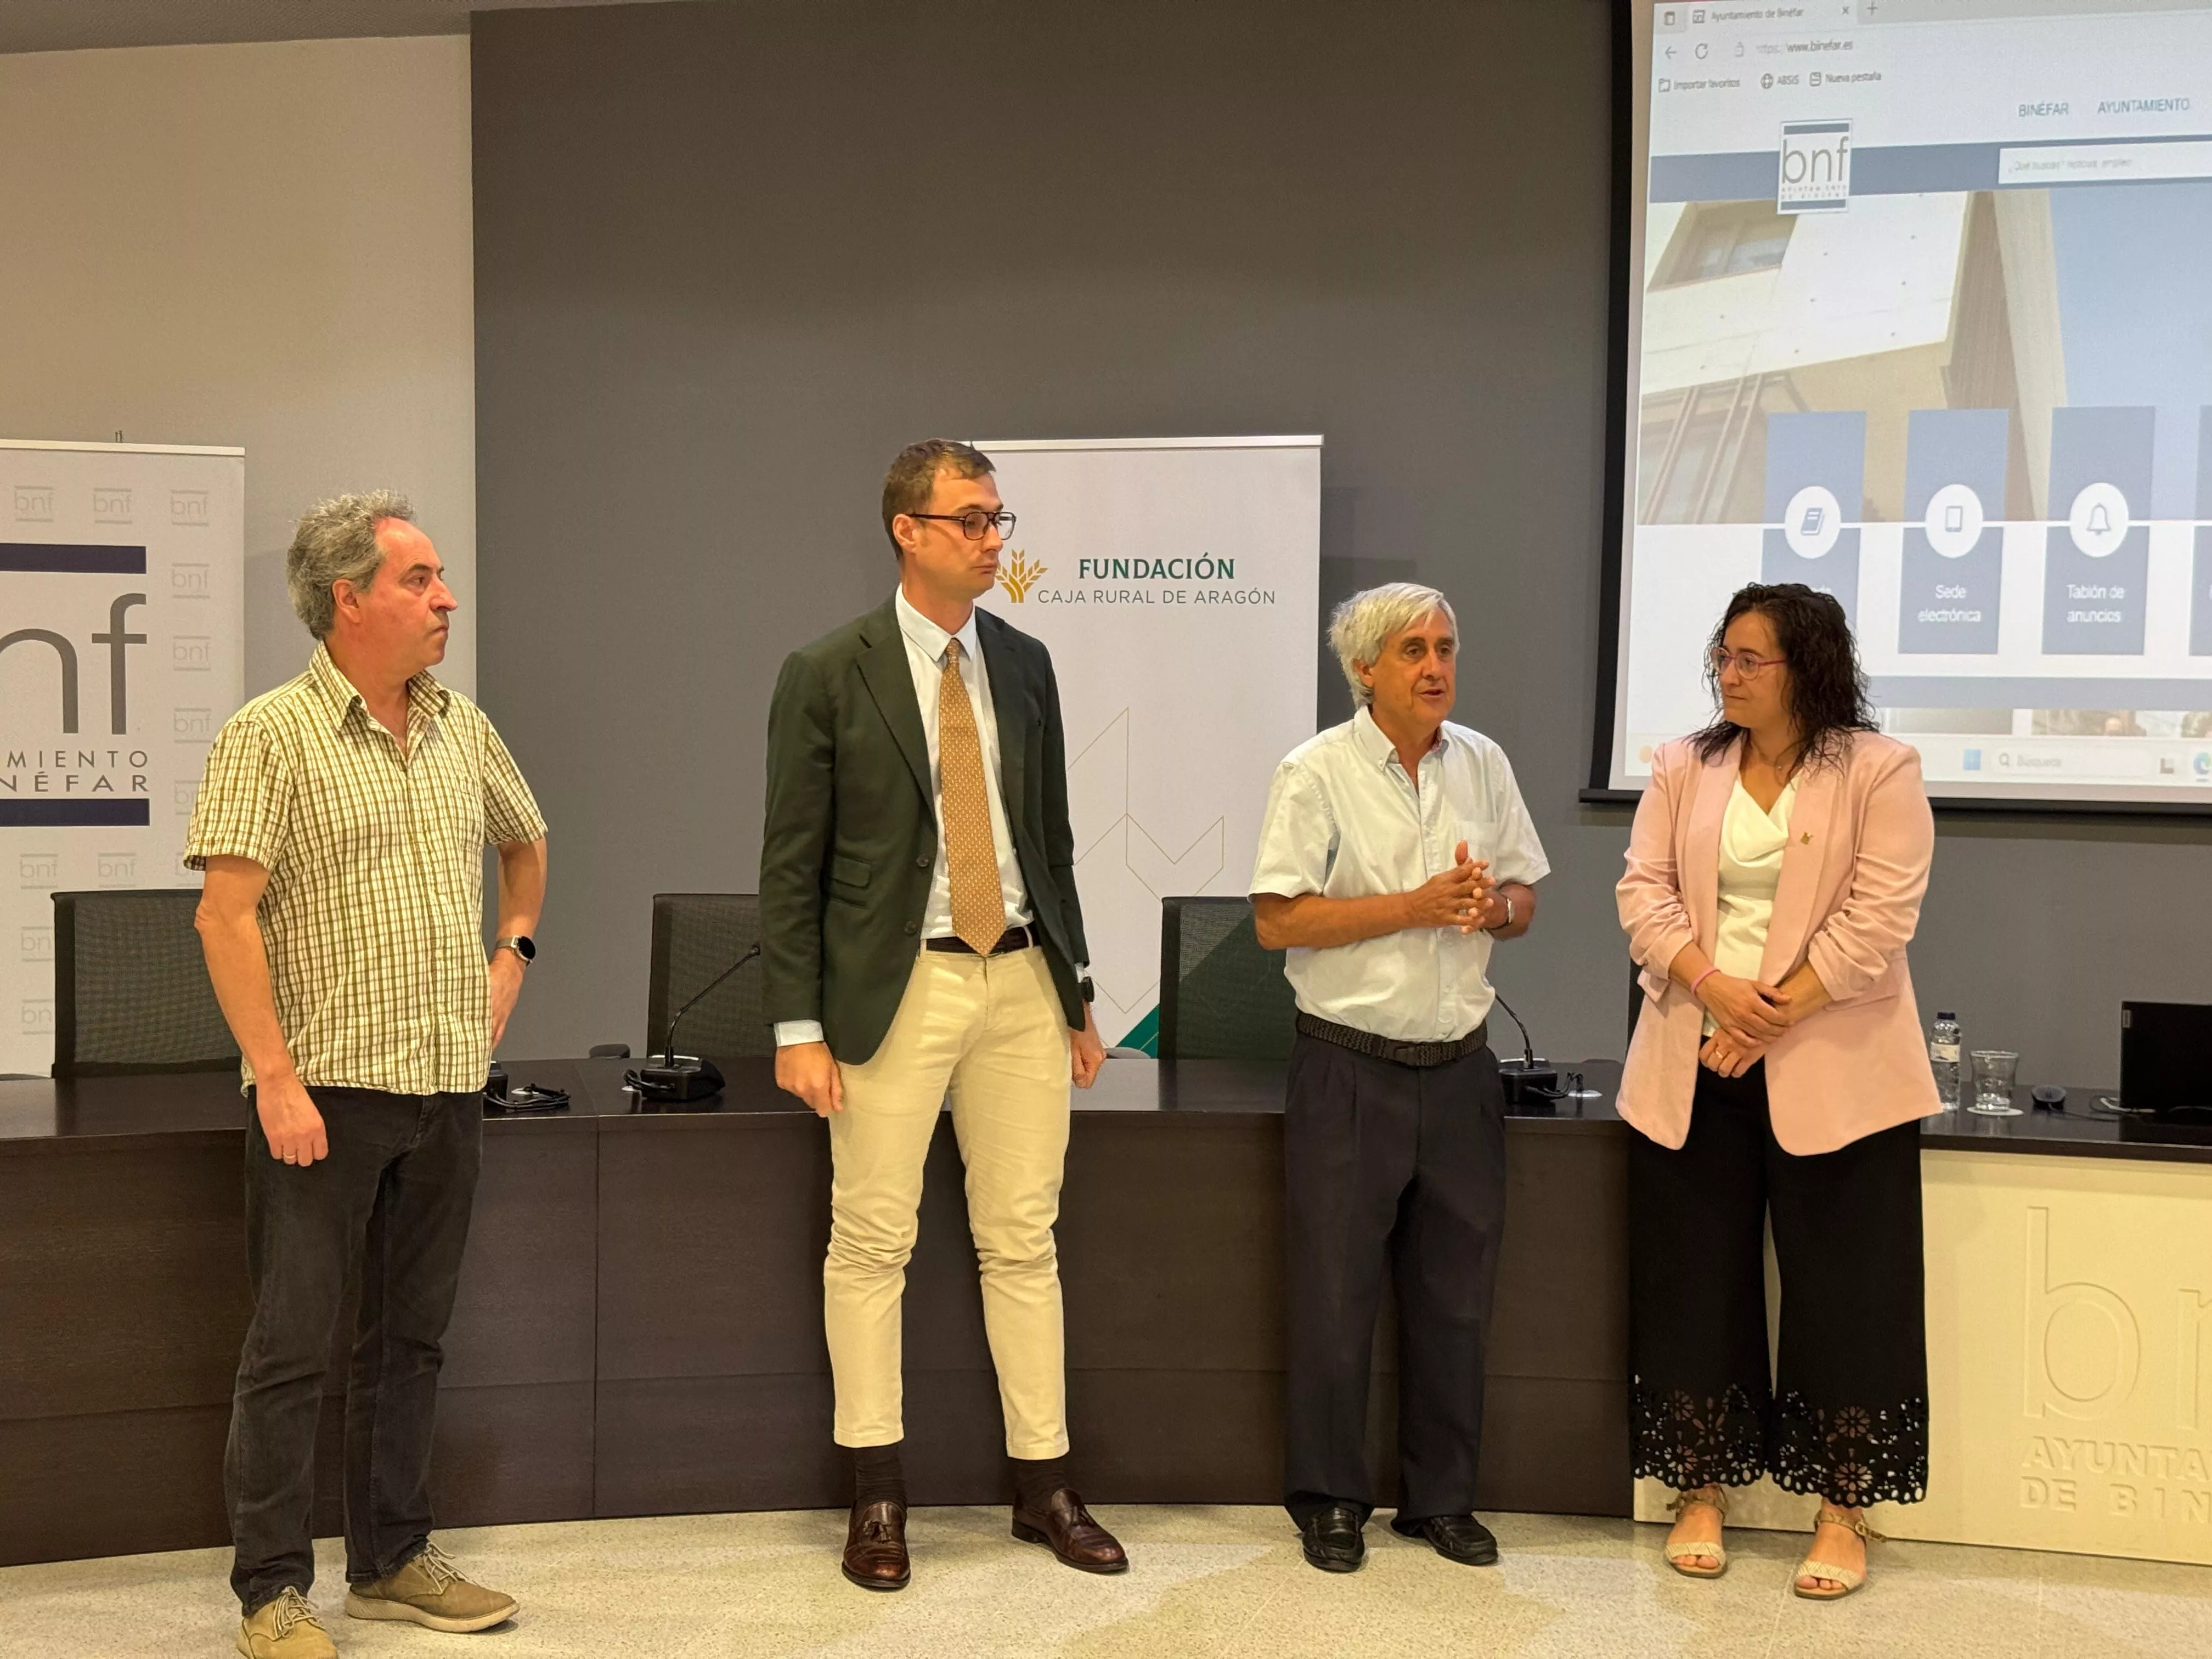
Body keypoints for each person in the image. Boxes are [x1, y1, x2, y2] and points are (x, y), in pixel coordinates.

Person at [190, 493, 549, 1658]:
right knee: (291, 1348)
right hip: (324, 1096)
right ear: (348, 599)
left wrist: (515, 951)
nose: (446, 598)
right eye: (419, 579)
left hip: (448, 1086)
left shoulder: (461, 726)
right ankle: (271, 1591)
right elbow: (224, 917)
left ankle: (391, 1561)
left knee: (412, 1341)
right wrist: (275, 1079)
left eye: (442, 578)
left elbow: (526, 839)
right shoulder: (271, 733)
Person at [760, 438, 1121, 1592]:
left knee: (1023, 1237)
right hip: (894, 984)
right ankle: (876, 1495)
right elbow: (790, 865)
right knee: (872, 1241)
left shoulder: (1026, 664)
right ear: (907, 531)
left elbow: (1052, 843)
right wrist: (796, 1027)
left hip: (1020, 978)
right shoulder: (827, 670)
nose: (992, 538)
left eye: (999, 520)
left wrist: (1075, 991)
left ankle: (1045, 1487)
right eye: (971, 519)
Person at [1616, 582, 1935, 1602]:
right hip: (1692, 1057)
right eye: (1724, 655)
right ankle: (1699, 1491)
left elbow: (1880, 916)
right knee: (1693, 1280)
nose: (1730, 673)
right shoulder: (1682, 763)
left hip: (1834, 1067)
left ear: (1809, 666)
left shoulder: (1879, 770)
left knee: (1849, 1294)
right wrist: (1714, 990)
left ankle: (1843, 1513)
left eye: (1753, 659)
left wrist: (1770, 1015)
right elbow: (1642, 892)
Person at [1248, 582, 1548, 1574]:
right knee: (1336, 1298)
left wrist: (1488, 911)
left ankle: (1442, 1502)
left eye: (1447, 648)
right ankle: (1331, 1501)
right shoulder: (1317, 771)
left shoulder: (1486, 762)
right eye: (1414, 650)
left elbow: (1523, 897)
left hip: (1459, 1069)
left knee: (1456, 1299)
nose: (1435, 668)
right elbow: (1277, 919)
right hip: (1348, 1065)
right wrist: (1414, 906)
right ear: (1365, 668)